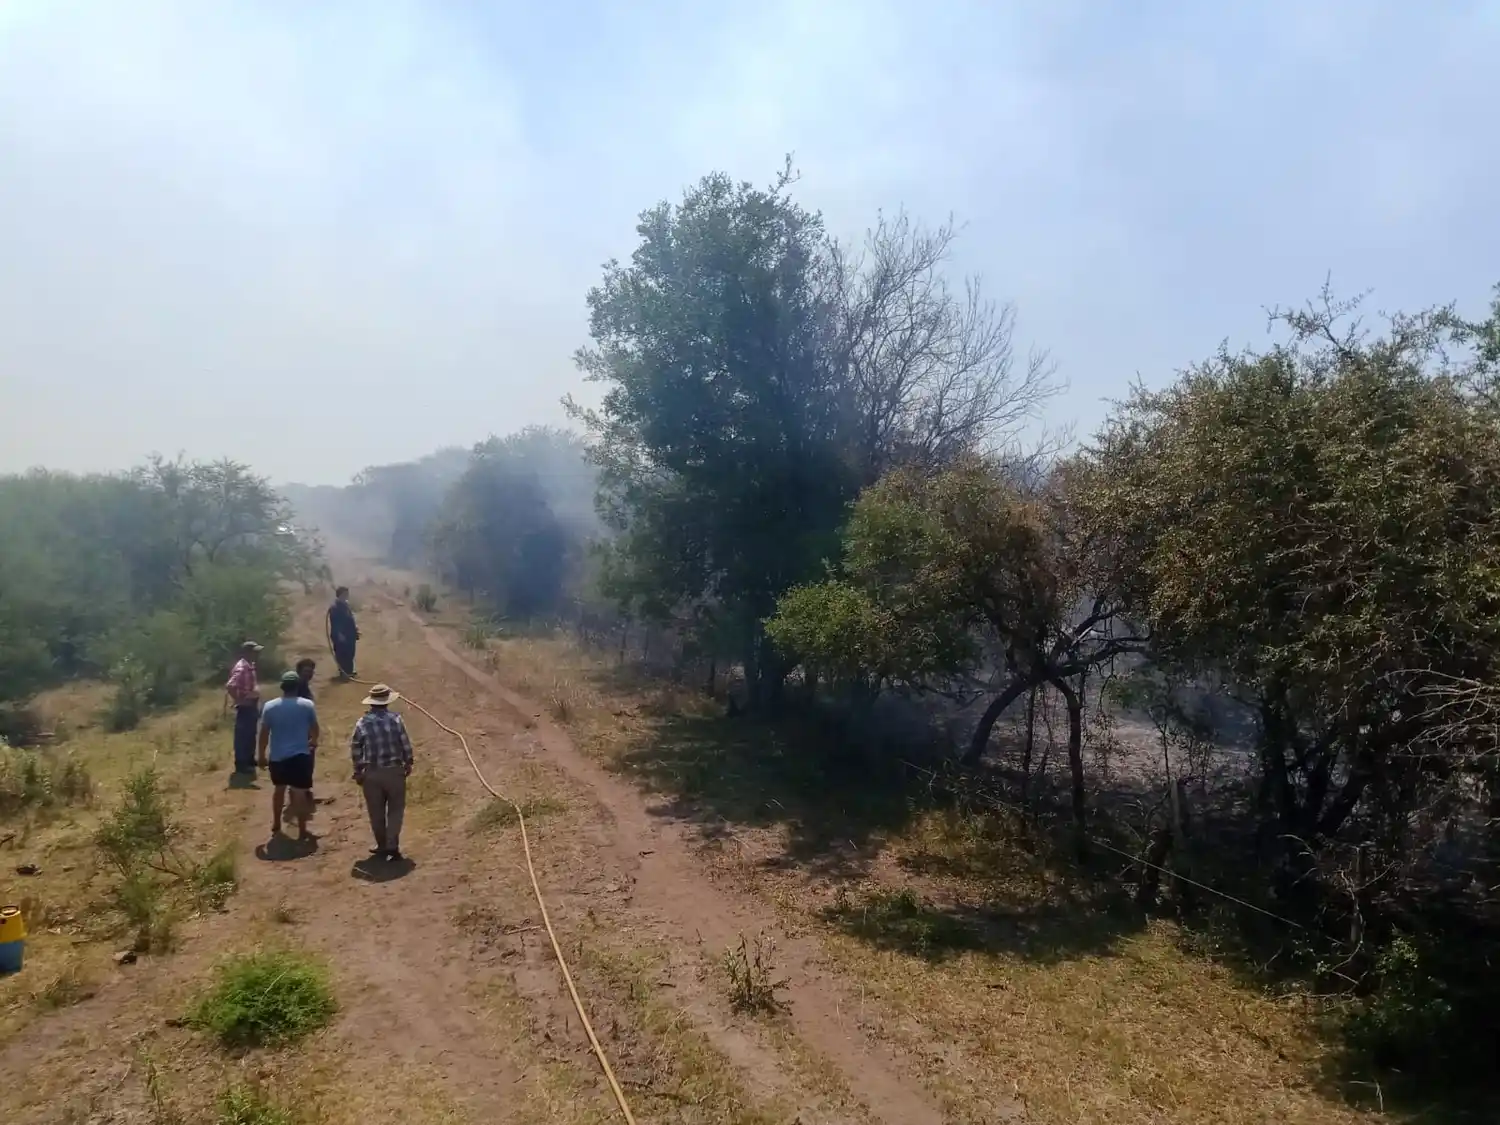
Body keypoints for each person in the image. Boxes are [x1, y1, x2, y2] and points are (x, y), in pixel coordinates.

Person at [350, 683, 413, 861]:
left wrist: (358, 771)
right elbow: (405, 743)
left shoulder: (362, 723)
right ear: (387, 702)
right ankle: (392, 845)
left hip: (372, 773)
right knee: (395, 810)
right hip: (394, 771)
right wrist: (408, 762)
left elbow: (355, 749)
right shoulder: (396, 720)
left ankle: (382, 845)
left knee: (375, 812)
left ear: (371, 703)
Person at [257, 671, 320, 838]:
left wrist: (261, 755)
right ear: (297, 686)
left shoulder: (270, 706)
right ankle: (302, 829)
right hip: (300, 755)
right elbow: (314, 727)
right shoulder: (307, 705)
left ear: (282, 687)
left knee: (279, 790)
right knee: (299, 793)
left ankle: (276, 823)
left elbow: (264, 733)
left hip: (278, 756)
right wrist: (313, 741)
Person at [224, 641, 263, 776]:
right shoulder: (242, 667)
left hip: (251, 704)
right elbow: (230, 685)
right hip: (246, 706)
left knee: (251, 734)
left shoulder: (250, 665)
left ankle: (249, 760)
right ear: (247, 652)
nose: (257, 654)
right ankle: (242, 764)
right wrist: (239, 699)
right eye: (254, 651)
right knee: (243, 736)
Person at [327, 587, 360, 679]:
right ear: (340, 594)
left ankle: (349, 672)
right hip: (341, 635)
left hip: (350, 634)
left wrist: (356, 629)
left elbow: (350, 618)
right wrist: (339, 635)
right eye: (345, 594)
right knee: (342, 654)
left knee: (350, 653)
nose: (347, 595)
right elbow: (335, 622)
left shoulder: (346, 605)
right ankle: (343, 673)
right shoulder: (335, 607)